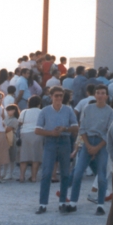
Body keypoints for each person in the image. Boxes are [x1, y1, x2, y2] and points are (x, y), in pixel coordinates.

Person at [68, 85, 113, 215]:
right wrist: (88, 146)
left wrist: (97, 147)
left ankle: (100, 205)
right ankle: (73, 203)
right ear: (95, 95)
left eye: (103, 93)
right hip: (87, 142)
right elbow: (82, 128)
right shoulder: (88, 108)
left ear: (106, 96)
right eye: (98, 93)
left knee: (101, 175)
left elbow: (109, 132)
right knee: (77, 172)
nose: (100, 95)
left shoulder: (110, 112)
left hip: (102, 144)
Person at [34, 86, 79, 214]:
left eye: (61, 95)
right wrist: (51, 133)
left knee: (65, 173)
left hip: (65, 141)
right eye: (56, 95)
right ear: (51, 97)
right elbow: (37, 130)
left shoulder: (68, 110)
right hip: (50, 142)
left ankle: (62, 202)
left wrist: (65, 129)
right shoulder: (44, 111)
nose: (59, 98)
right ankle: (43, 204)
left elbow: (75, 127)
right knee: (47, 173)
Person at [17, 95, 43, 182]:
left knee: (24, 157)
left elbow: (20, 123)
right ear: (39, 103)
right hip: (37, 134)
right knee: (36, 157)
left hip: (25, 134)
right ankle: (34, 177)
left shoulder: (24, 112)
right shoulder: (41, 112)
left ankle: (21, 176)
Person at [2, 104, 20, 180]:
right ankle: (4, 172)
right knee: (5, 156)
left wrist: (2, 126)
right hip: (4, 137)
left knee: (11, 156)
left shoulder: (15, 120)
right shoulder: (5, 119)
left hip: (11, 137)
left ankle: (10, 173)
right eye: (7, 110)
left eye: (10, 110)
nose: (8, 111)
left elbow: (9, 129)